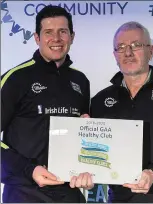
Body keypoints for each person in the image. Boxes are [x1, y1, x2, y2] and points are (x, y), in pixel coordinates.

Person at [1, 5, 93, 202]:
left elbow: (84, 136)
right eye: (48, 32)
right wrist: (29, 170)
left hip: (69, 193)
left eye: (63, 32)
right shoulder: (16, 79)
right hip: (25, 192)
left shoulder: (80, 81)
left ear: (72, 36)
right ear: (37, 38)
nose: (56, 39)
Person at [90, 21, 153, 203]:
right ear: (115, 55)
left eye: (136, 45)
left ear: (151, 52)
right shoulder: (100, 101)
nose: (128, 52)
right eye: (121, 47)